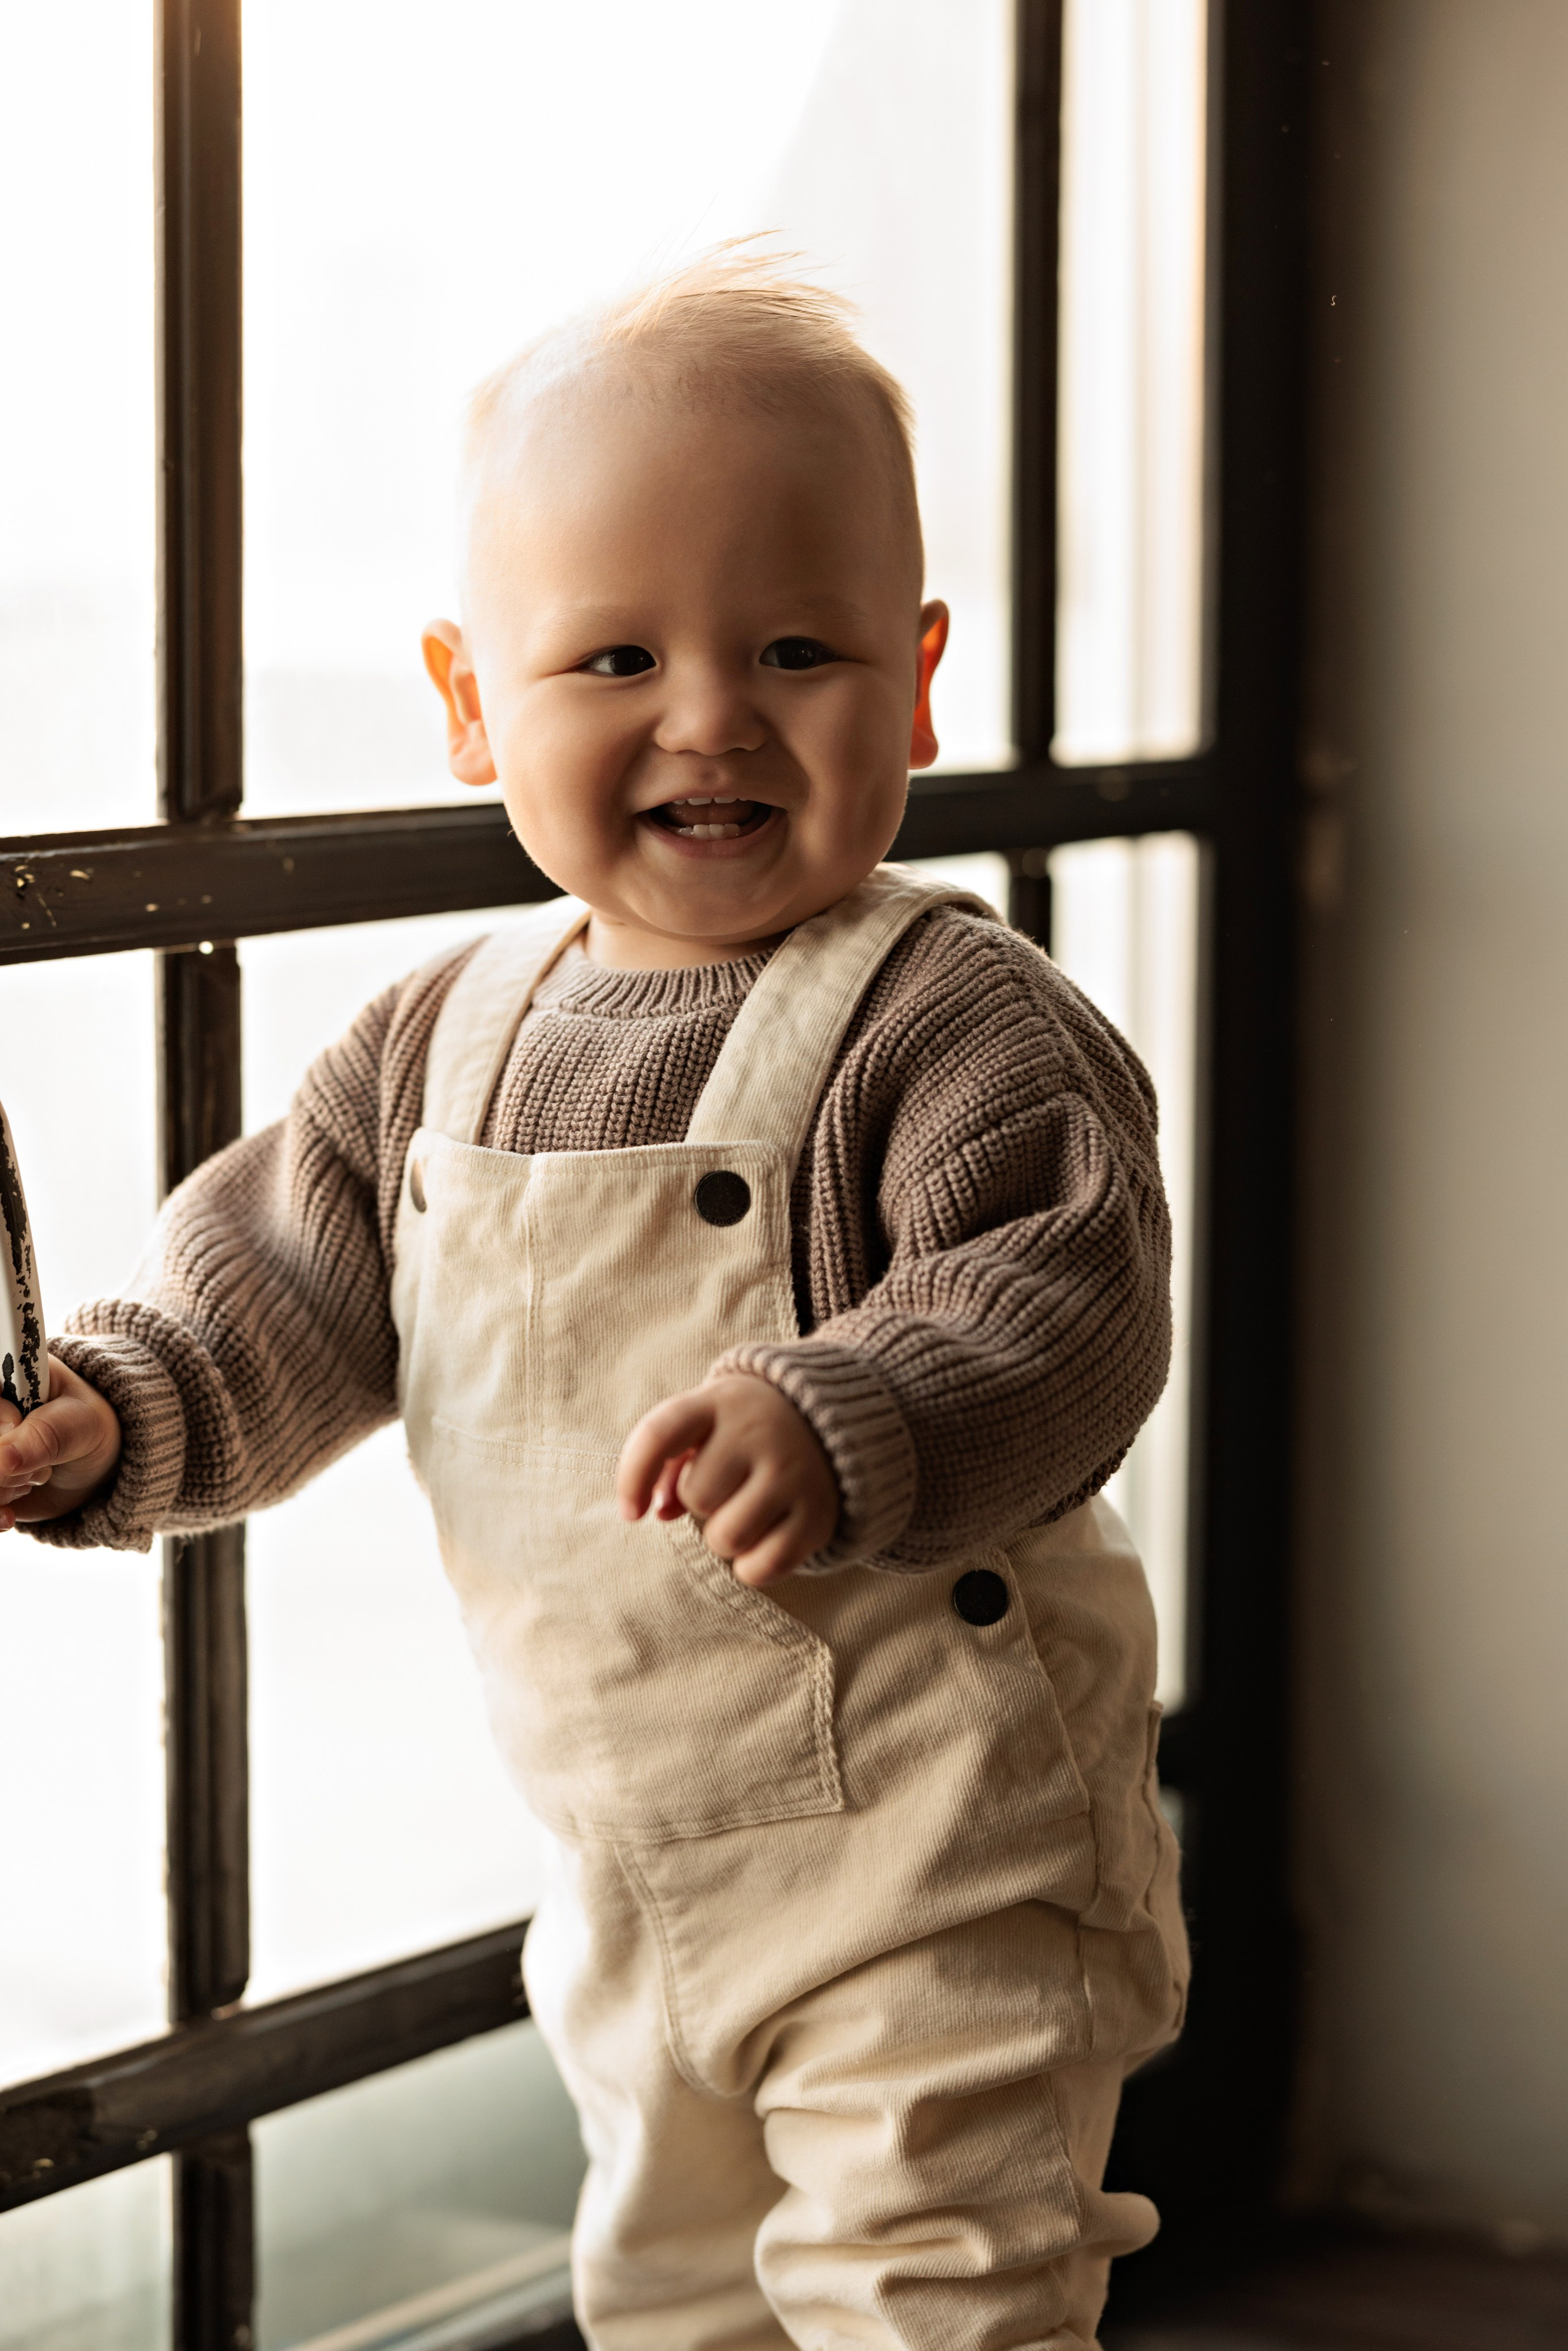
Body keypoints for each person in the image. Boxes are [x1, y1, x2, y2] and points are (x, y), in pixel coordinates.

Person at [1, 249, 1188, 2349]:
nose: (711, 714)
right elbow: (277, 1289)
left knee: (940, 2292)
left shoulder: (956, 1020)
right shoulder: (432, 1047)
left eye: (796, 647)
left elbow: (1069, 1299)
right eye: (618, 654)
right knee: (675, 2299)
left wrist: (857, 1410)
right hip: (636, 1862)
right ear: (472, 702)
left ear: (916, 685)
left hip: (942, 1855)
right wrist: (125, 1406)